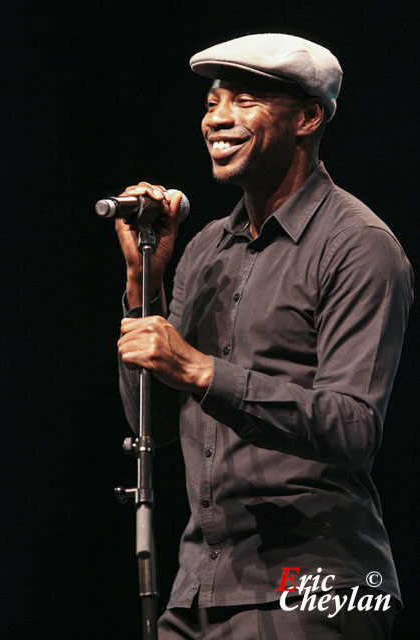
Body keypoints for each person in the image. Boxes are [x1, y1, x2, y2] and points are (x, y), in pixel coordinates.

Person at [115, 34, 413, 639]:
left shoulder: (358, 245)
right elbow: (151, 432)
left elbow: (354, 428)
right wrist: (143, 283)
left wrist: (202, 370)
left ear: (307, 118)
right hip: (199, 586)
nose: (217, 119)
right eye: (211, 103)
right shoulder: (204, 250)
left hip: (311, 586)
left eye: (244, 100)